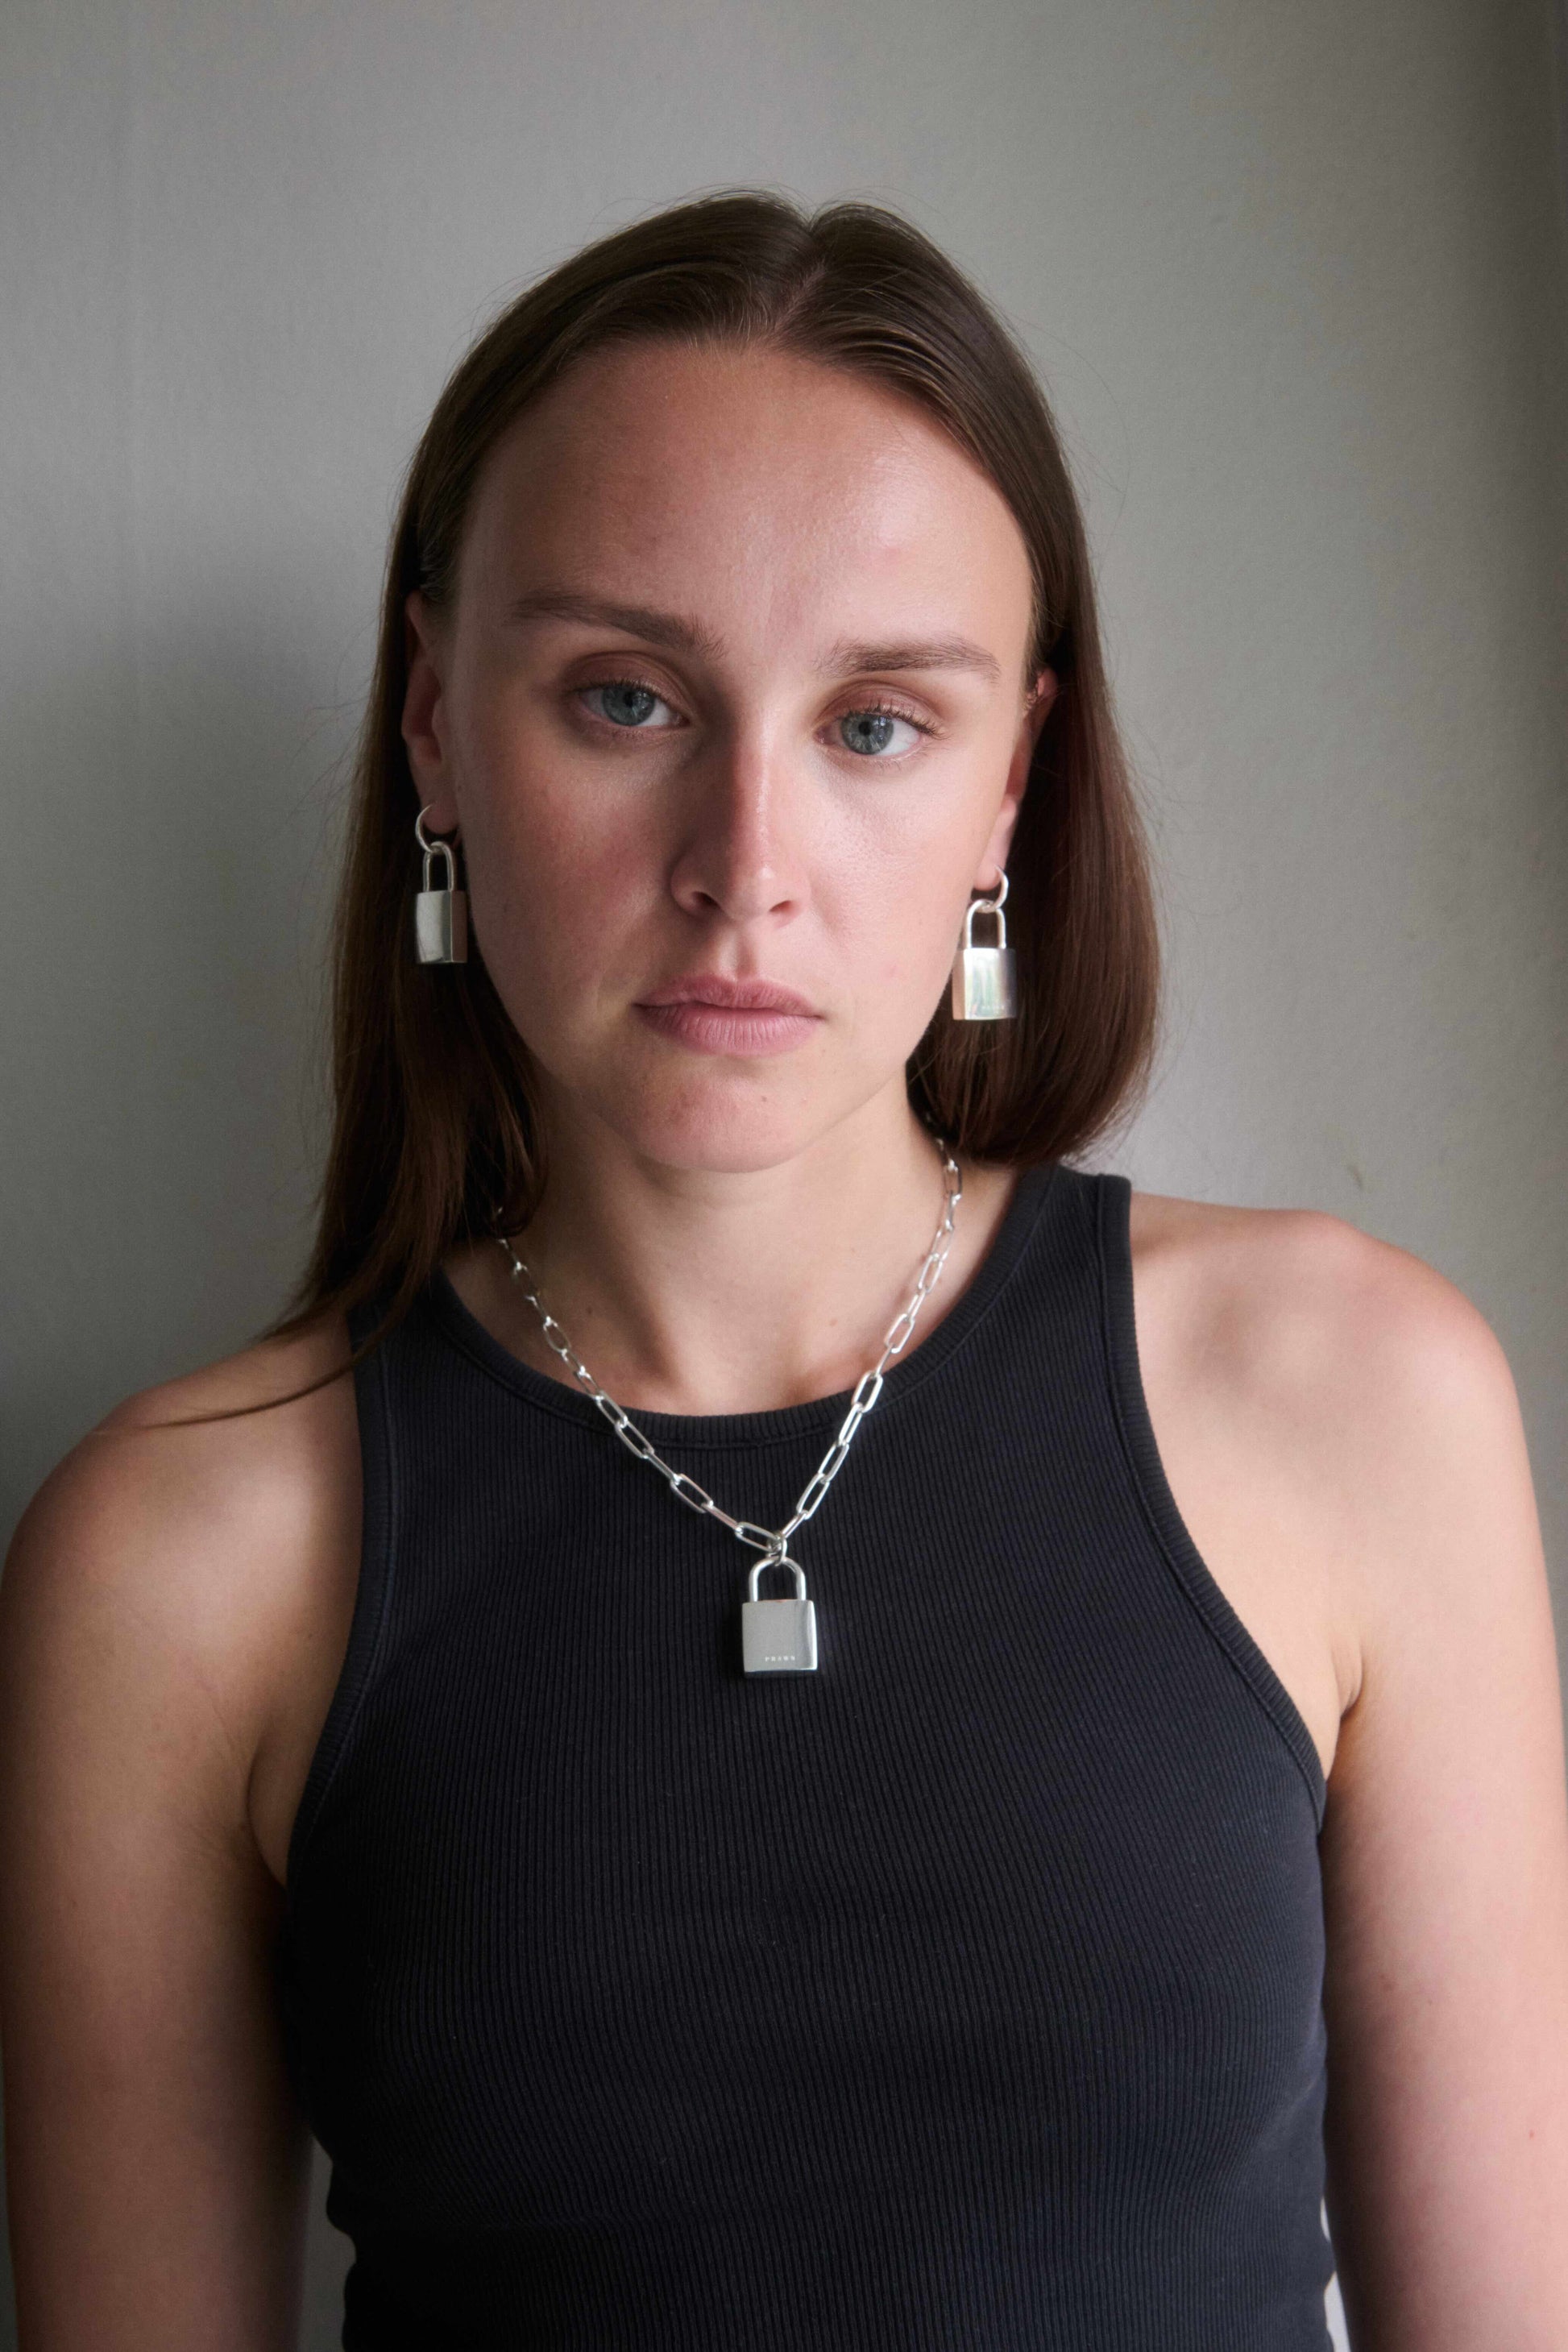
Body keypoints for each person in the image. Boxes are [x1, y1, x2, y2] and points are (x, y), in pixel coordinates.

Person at [2, 189, 1566, 2352]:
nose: (746, 869)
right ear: (437, 725)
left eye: (870, 726)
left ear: (1008, 777)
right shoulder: (181, 1555)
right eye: (628, 698)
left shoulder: (1352, 1399)